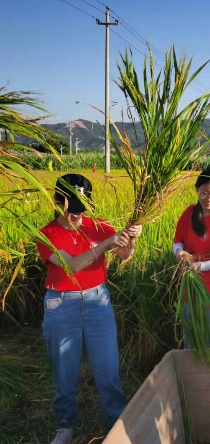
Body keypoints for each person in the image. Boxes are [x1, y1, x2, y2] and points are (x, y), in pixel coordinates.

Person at [36, 174, 142, 444]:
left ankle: (115, 422)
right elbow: (71, 265)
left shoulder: (98, 226)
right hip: (62, 305)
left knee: (108, 369)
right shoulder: (47, 234)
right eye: (72, 209)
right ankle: (65, 425)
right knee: (65, 370)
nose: (77, 216)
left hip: (98, 303)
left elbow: (123, 255)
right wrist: (107, 243)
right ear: (58, 202)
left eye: (81, 209)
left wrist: (130, 239)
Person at [173, 168, 210, 349]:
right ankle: (193, 377)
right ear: (197, 190)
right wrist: (179, 253)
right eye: (204, 192)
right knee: (190, 340)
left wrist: (199, 266)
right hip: (190, 292)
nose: (209, 198)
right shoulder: (189, 213)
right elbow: (178, 242)